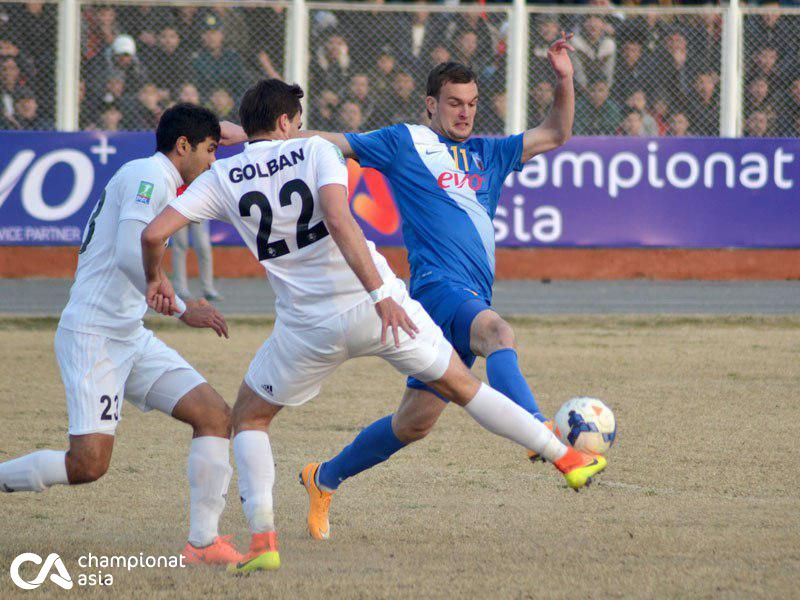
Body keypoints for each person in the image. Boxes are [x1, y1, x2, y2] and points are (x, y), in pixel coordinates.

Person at [143, 79, 606, 571]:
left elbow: (155, 233)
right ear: (286, 123)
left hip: (307, 328)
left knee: (251, 419)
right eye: (296, 120)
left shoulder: (222, 177)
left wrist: (158, 279)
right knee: (464, 386)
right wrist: (382, 295)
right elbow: (340, 221)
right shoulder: (316, 149)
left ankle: (263, 542)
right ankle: (566, 458)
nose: (301, 127)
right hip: (376, 306)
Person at [219, 34, 589, 541]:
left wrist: (564, 78)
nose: (465, 113)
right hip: (437, 291)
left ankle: (323, 478)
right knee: (498, 334)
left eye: (473, 104)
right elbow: (326, 142)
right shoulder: (405, 141)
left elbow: (557, 132)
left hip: (471, 295)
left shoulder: (492, 153)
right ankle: (541, 432)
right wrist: (252, 135)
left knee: (413, 424)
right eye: (454, 104)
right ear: (432, 104)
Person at [0, 104, 241, 567]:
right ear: (183, 146)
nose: (215, 161)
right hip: (94, 335)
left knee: (213, 415)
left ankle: (203, 543)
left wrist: (231, 132)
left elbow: (139, 252)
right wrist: (182, 306)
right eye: (210, 150)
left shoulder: (162, 178)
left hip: (129, 334)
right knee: (87, 465)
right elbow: (135, 250)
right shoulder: (149, 177)